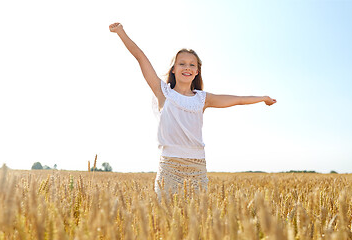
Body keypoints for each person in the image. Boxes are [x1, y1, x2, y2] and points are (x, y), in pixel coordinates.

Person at [109, 22, 277, 199]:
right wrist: (121, 32)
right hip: (169, 166)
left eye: (192, 65)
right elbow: (140, 57)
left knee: (197, 220)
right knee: (164, 219)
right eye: (182, 64)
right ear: (173, 69)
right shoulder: (162, 92)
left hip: (197, 167)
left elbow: (238, 100)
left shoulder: (202, 99)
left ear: (197, 71)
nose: (187, 67)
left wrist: (262, 98)